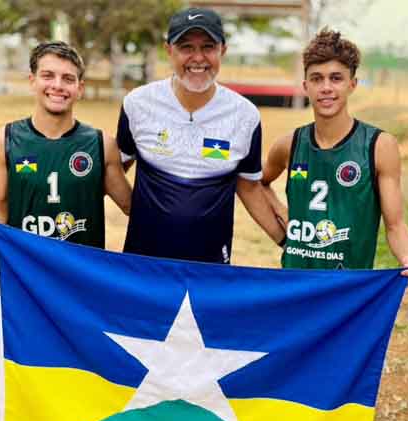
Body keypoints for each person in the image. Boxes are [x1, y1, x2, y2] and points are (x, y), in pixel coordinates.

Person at [0, 41, 131, 421]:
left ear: (79, 87)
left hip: (82, 276)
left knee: (83, 360)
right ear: (33, 79)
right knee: (36, 358)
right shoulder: (4, 138)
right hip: (31, 277)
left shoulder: (100, 143)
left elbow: (132, 203)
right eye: (49, 76)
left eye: (68, 78)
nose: (58, 85)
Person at [262, 29, 408, 287]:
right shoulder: (288, 145)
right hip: (294, 284)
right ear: (305, 86)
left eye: (336, 78)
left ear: (352, 84)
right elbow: (258, 182)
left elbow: (395, 225)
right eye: (317, 79)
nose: (326, 88)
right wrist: (283, 228)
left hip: (348, 289)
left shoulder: (378, 146)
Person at [116, 7, 284, 264]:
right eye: (186, 47)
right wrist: (135, 208)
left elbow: (249, 186)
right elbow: (113, 169)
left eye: (208, 47)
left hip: (210, 268)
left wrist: (289, 244)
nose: (198, 58)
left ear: (222, 51)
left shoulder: (245, 115)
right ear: (168, 50)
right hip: (144, 266)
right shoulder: (138, 104)